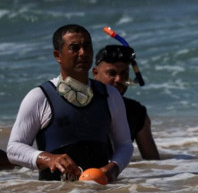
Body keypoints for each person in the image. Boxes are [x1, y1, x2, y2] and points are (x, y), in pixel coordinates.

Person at [6, 24, 133, 182]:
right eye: (74, 48)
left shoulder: (110, 95)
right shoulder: (39, 97)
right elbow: (14, 149)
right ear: (58, 55)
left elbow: (125, 145)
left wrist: (114, 168)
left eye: (87, 46)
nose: (83, 53)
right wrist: (49, 159)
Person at [93, 44, 160, 160]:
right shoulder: (81, 106)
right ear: (95, 73)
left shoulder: (137, 112)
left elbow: (153, 163)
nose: (119, 79)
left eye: (124, 74)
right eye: (112, 73)